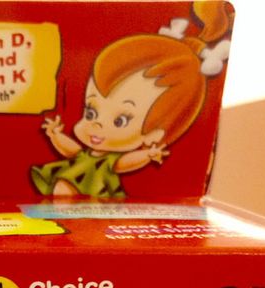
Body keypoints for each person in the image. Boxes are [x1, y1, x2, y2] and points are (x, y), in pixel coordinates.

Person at [30, 2, 232, 197]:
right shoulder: (84, 154)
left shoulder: (112, 162)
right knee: (63, 188)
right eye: (90, 112)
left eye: (120, 121)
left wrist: (147, 155)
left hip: (101, 191)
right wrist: (55, 135)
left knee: (65, 188)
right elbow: (72, 150)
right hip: (72, 191)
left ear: (155, 135)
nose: (97, 124)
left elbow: (125, 163)